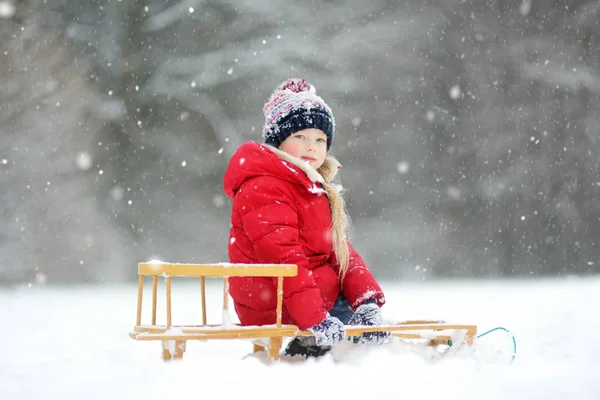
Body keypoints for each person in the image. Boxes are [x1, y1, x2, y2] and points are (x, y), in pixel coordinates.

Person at [223, 78, 390, 358]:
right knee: (345, 316)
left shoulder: (310, 186)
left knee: (357, 310)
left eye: (320, 139)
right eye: (300, 137)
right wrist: (315, 318)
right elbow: (283, 257)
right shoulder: (265, 186)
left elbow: (338, 250)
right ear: (278, 141)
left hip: (301, 296)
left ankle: (350, 351)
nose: (312, 147)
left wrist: (367, 300)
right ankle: (313, 353)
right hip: (272, 300)